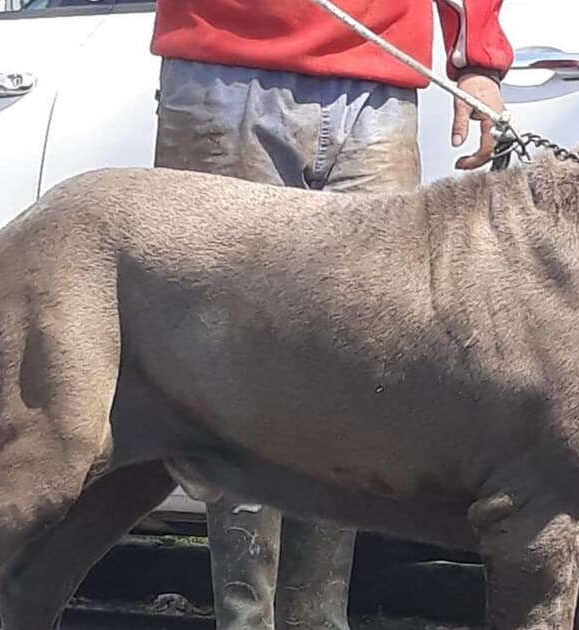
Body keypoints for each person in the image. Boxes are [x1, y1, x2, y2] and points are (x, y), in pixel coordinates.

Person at [147, 2, 513, 629]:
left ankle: (317, 620)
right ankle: (243, 621)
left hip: (380, 77)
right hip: (224, 61)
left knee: (356, 367)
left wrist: (476, 56)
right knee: (232, 365)